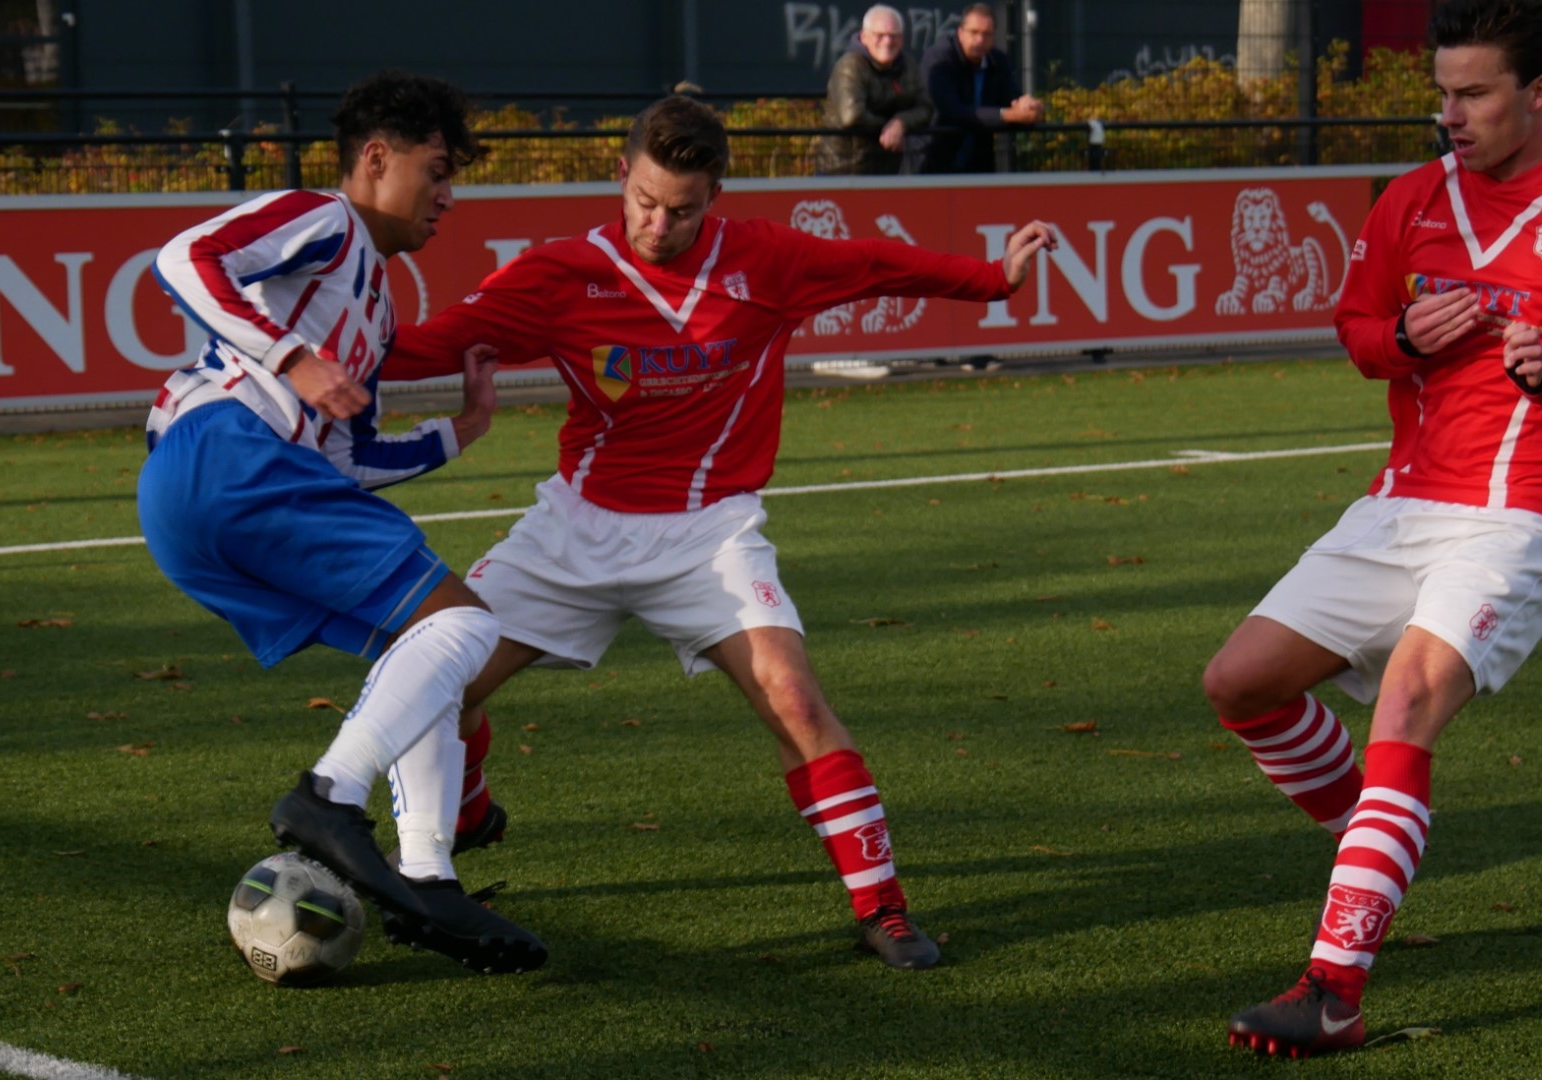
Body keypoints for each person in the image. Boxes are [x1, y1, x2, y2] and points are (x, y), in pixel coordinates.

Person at [380, 94, 1057, 970]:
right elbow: (425, 347)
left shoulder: (767, 260)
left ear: (716, 196)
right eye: (645, 203)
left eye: (683, 209)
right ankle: (464, 814)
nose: (659, 225)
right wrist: (294, 349)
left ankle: (882, 909)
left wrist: (993, 279)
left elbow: (878, 264)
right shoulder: (556, 276)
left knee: (794, 697)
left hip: (711, 532)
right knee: (433, 684)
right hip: (576, 529)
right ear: (622, 176)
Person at [1205, 0, 1542, 1056]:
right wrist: (1405, 338)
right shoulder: (1411, 197)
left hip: (1527, 512)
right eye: (1442, 94)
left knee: (1411, 699)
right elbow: (1358, 329)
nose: (1451, 115)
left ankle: (1335, 986)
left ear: (1540, 92)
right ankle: (1373, 852)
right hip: (1402, 500)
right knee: (1240, 682)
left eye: (1473, 94)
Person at [136, 70, 547, 975]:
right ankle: (327, 797)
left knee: (425, 649)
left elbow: (351, 459)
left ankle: (428, 879)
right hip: (228, 454)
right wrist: (292, 357)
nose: (450, 195)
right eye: (437, 170)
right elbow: (182, 259)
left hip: (216, 493)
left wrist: (463, 430)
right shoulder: (324, 221)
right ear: (374, 158)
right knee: (465, 625)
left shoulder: (380, 303)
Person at [919, 3, 1044, 174]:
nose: (979, 40)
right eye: (974, 32)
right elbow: (951, 111)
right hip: (932, 161)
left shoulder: (998, 61)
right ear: (960, 33)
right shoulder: (940, 58)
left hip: (978, 165)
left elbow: (1012, 96)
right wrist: (1008, 114)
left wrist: (1027, 106)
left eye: (987, 34)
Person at [816, 4, 933, 176]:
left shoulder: (909, 65)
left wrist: (900, 123)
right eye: (879, 35)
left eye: (894, 36)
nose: (887, 41)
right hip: (843, 170)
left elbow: (926, 108)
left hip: (889, 170)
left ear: (902, 39)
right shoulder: (850, 66)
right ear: (864, 37)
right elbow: (851, 115)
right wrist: (887, 127)